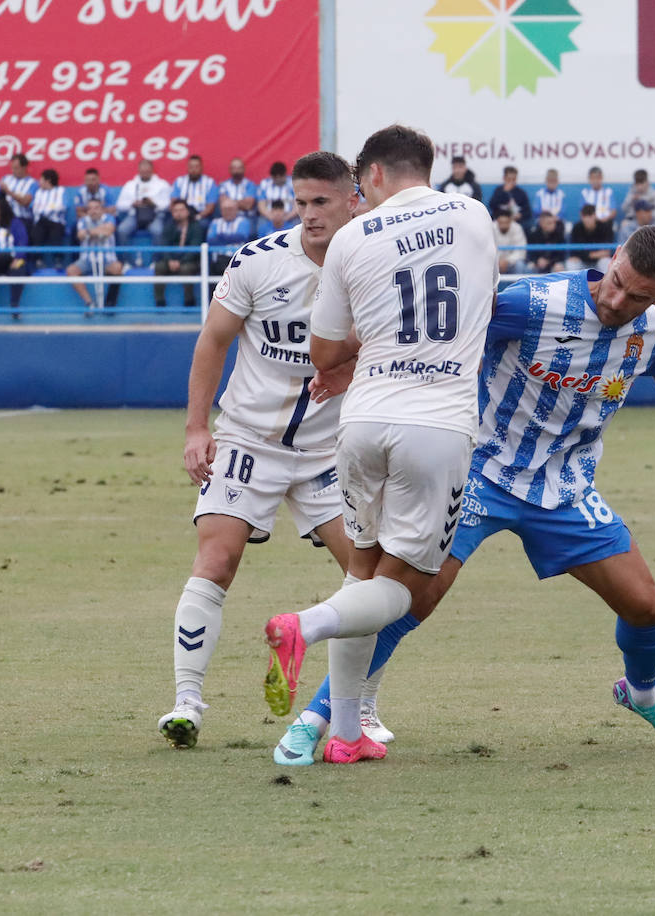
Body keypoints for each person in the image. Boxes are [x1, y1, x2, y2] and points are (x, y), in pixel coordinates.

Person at [272, 226, 655, 765]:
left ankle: (641, 694)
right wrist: (351, 365)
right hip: (480, 471)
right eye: (616, 281)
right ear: (613, 257)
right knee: (410, 599)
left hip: (565, 487)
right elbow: (441, 332)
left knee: (647, 607)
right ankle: (314, 719)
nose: (617, 300)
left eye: (637, 295)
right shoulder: (533, 302)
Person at [260, 124, 499, 764]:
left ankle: (344, 736)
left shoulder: (351, 237)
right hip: (437, 425)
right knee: (406, 587)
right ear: (426, 166)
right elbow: (478, 304)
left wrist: (360, 346)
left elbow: (324, 353)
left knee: (361, 570)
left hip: (362, 422)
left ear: (371, 176)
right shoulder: (474, 216)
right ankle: (302, 625)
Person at [155, 152, 361, 749]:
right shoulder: (258, 260)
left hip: (329, 452)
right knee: (216, 559)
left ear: (353, 201)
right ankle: (187, 703)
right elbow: (213, 341)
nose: (308, 214)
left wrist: (349, 371)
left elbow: (395, 344)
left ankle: (358, 709)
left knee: (367, 580)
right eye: (300, 203)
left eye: (321, 202)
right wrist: (197, 429)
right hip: (249, 439)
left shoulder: (373, 262)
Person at [67, 197, 123, 311]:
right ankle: (89, 302)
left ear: (102, 209)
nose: (93, 211)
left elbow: (108, 231)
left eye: (96, 208)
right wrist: (99, 230)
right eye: (90, 208)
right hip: (87, 260)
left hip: (108, 259)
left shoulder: (109, 218)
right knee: (71, 271)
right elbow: (80, 235)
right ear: (87, 211)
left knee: (117, 268)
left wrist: (89, 232)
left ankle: (110, 302)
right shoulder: (82, 220)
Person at [152, 199, 206, 308]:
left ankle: (189, 300)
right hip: (171, 259)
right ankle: (159, 301)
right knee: (159, 266)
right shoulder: (169, 226)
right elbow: (164, 245)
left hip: (189, 260)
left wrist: (181, 261)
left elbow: (195, 247)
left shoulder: (195, 226)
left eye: (181, 210)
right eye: (175, 211)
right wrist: (170, 260)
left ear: (187, 212)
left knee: (186, 269)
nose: (179, 213)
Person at [115, 159, 173, 249]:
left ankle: (157, 258)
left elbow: (168, 205)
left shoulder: (162, 184)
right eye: (143, 171)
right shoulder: (130, 185)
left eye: (147, 170)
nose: (145, 173)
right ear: (139, 170)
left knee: (158, 231)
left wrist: (154, 204)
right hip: (135, 215)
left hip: (155, 215)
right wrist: (132, 204)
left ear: (152, 170)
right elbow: (119, 205)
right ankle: (126, 258)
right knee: (122, 230)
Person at [206, 197, 255, 275]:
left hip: (238, 261)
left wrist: (221, 237)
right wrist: (231, 238)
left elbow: (241, 237)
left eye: (230, 209)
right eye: (225, 209)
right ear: (221, 210)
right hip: (217, 261)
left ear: (236, 210)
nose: (227, 212)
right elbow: (210, 240)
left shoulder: (243, 221)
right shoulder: (215, 222)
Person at [28, 169, 67, 267]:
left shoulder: (61, 191)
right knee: (35, 233)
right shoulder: (39, 192)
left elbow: (62, 206)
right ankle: (38, 260)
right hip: (41, 220)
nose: (39, 182)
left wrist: (47, 210)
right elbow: (34, 207)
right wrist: (48, 209)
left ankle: (58, 260)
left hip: (56, 221)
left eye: (41, 179)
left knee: (56, 234)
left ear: (48, 180)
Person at [0, 153, 36, 232]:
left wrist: (8, 192)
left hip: (22, 219)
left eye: (16, 168)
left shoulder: (32, 183)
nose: (13, 171)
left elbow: (25, 202)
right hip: (5, 218)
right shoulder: (6, 179)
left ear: (24, 167)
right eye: (12, 168)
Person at [568, 203, 614, 271]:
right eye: (584, 216)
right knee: (571, 264)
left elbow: (607, 252)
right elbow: (573, 252)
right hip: (582, 262)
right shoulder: (577, 228)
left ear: (595, 215)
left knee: (607, 262)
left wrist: (586, 255)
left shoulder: (605, 227)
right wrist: (595, 254)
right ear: (581, 216)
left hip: (599, 261)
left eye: (590, 215)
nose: (587, 219)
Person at [172, 155, 218, 220]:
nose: (193, 170)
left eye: (196, 167)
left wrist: (198, 217)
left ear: (201, 167)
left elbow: (210, 206)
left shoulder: (209, 182)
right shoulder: (179, 181)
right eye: (191, 167)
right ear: (187, 168)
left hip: (201, 215)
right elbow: (173, 202)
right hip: (182, 215)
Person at [218, 157, 258, 224]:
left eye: (239, 168)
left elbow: (248, 205)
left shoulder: (250, 185)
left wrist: (230, 202)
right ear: (230, 170)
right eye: (234, 168)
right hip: (227, 218)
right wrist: (241, 202)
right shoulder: (224, 185)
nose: (236, 171)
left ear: (244, 169)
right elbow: (224, 205)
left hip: (247, 218)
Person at [526, 209, 567, 274]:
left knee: (559, 267)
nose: (553, 225)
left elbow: (562, 254)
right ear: (541, 223)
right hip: (537, 263)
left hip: (553, 263)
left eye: (554, 222)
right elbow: (530, 253)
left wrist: (549, 261)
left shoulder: (559, 234)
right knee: (529, 267)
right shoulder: (533, 235)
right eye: (549, 223)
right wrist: (537, 260)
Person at [492, 206, 528, 274]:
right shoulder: (491, 227)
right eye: (501, 223)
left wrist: (507, 261)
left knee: (520, 265)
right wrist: (498, 261)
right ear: (497, 221)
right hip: (495, 262)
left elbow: (521, 251)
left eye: (506, 222)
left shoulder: (517, 228)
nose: (503, 225)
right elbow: (488, 250)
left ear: (510, 221)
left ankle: (518, 281)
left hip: (511, 262)